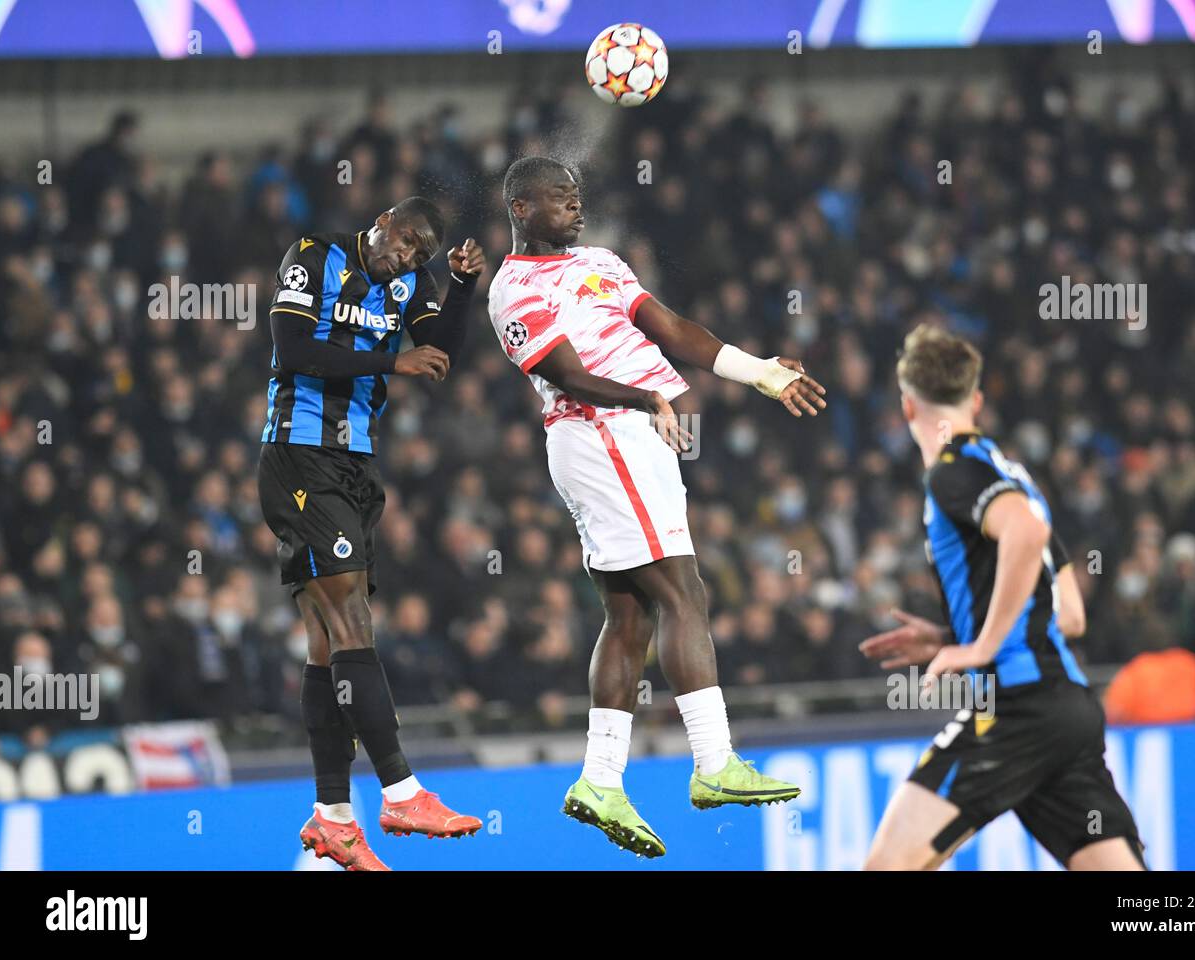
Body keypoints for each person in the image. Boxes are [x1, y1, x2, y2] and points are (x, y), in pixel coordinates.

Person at [487, 157, 826, 857]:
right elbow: (566, 374)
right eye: (560, 197)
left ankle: (601, 779)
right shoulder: (512, 290)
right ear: (522, 208)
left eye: (578, 196)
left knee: (631, 612)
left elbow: (670, 329)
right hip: (602, 435)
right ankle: (713, 763)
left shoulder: (603, 262)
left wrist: (758, 371)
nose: (576, 208)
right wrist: (645, 398)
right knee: (685, 593)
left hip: (634, 434)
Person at [860, 323, 1144, 870]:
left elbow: (1026, 534)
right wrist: (952, 636)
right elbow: (1072, 615)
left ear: (907, 406)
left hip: (1016, 709)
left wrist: (979, 647)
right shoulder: (1014, 477)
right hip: (1066, 709)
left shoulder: (954, 471)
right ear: (978, 399)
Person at [258, 197, 486, 870]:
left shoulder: (412, 283)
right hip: (299, 454)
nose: (408, 257)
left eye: (421, 254)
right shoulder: (314, 254)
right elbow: (291, 348)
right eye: (406, 242)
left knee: (328, 642)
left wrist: (465, 287)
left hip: (355, 464)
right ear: (384, 221)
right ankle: (401, 790)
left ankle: (332, 816)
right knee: (353, 621)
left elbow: (439, 354)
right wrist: (392, 364)